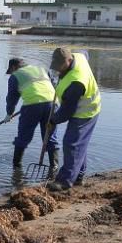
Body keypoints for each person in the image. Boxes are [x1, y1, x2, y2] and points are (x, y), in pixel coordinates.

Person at [44, 47, 101, 192]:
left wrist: (52, 120)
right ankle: (79, 176)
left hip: (86, 111)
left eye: (60, 67)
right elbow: (85, 52)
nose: (58, 70)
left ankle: (65, 181)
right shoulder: (79, 56)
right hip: (82, 107)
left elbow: (66, 112)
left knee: (72, 144)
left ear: (69, 61)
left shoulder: (77, 81)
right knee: (79, 144)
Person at [4, 58, 57, 169]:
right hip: (53, 104)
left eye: (11, 71)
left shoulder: (16, 76)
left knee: (23, 136)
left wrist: (9, 113)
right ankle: (54, 167)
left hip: (32, 105)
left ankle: (16, 166)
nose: (11, 74)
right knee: (49, 136)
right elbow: (54, 86)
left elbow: (11, 98)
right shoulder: (42, 69)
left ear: (14, 67)